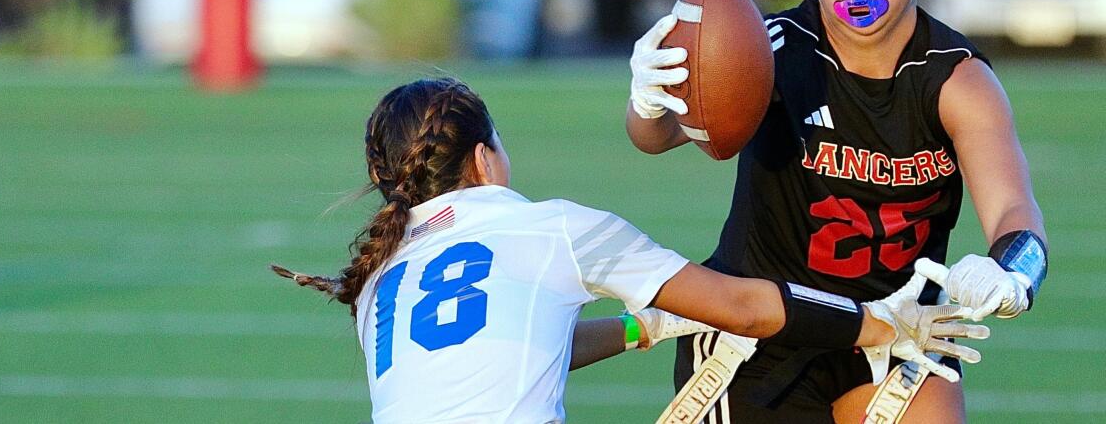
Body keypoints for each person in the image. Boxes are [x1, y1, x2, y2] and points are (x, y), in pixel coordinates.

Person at [626, 0, 1049, 424]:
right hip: (765, 324)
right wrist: (649, 99)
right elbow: (658, 137)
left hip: (902, 322)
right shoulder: (772, 49)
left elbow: (1016, 213)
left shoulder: (958, 79)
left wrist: (1014, 275)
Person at [273, 77, 986, 424]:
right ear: (486, 159)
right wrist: (878, 322)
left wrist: (649, 326)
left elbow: (519, 340)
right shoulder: (548, 226)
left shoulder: (377, 282)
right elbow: (741, 306)